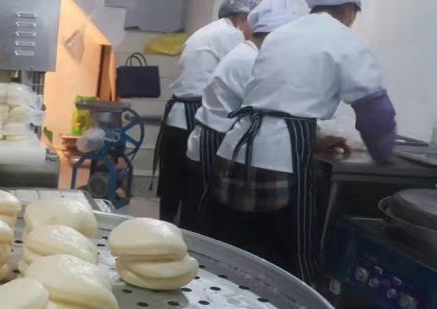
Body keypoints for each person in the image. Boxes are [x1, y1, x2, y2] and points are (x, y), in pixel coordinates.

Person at [211, 0, 396, 284]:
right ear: (350, 11)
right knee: (287, 263)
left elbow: (275, 100)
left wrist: (315, 139)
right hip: (279, 162)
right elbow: (376, 113)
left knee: (234, 253)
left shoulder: (281, 35)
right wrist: (384, 155)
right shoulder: (344, 40)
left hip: (236, 149)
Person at [181, 0, 308, 234]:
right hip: (215, 139)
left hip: (214, 137)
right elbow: (273, 107)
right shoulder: (250, 60)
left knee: (205, 217)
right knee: (204, 222)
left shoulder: (248, 53)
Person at [153, 0, 260, 222]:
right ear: (242, 19)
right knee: (192, 187)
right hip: (192, 115)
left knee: (173, 182)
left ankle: (166, 229)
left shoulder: (209, 31)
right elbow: (245, 75)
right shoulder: (232, 36)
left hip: (178, 116)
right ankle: (183, 232)